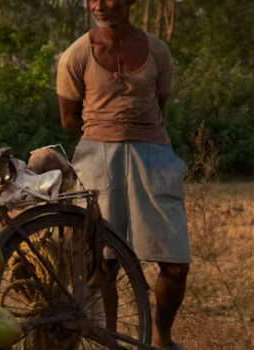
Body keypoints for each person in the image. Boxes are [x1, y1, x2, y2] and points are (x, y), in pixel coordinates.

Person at [55, 0, 190, 349]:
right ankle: (111, 341)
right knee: (103, 263)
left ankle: (161, 338)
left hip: (154, 157)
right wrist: (106, 134)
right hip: (97, 160)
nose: (99, 5)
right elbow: (68, 119)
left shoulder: (157, 51)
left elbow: (160, 107)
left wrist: (137, 136)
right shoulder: (76, 55)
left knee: (176, 263)